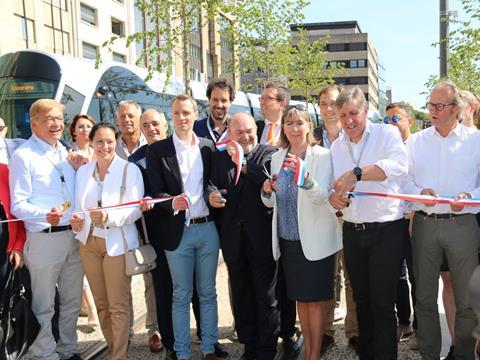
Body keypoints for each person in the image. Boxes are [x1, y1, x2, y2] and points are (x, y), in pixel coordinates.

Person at [329, 87, 408, 360]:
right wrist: (335, 200)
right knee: (361, 301)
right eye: (343, 116)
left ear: (365, 111)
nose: (349, 121)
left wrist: (357, 173)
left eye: (353, 113)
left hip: (386, 230)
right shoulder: (337, 146)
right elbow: (334, 188)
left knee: (383, 304)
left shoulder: (387, 134)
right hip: (352, 231)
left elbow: (399, 165)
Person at [404, 81, 480, 360]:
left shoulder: (475, 141)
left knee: (467, 301)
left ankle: (462, 355)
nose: (433, 111)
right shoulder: (415, 141)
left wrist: (470, 196)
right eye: (430, 105)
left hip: (463, 227)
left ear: (456, 108)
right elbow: (404, 181)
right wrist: (417, 194)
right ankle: (428, 354)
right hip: (425, 225)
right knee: (423, 298)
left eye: (439, 105)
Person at [261, 105, 342, 360]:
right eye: (289, 123)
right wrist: (266, 191)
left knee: (314, 302)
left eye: (299, 123)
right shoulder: (276, 157)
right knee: (300, 302)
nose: (294, 128)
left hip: (314, 242)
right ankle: (309, 352)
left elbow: (322, 198)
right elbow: (272, 203)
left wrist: (304, 176)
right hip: (288, 241)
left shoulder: (322, 155)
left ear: (309, 126)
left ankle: (313, 356)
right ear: (283, 128)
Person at [146, 95, 220, 360]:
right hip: (177, 233)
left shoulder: (207, 147)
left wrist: (213, 194)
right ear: (171, 116)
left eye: (186, 113)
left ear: (195, 115)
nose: (181, 118)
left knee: (208, 292)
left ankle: (210, 347)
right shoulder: (158, 151)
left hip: (207, 229)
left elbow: (212, 182)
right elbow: (155, 191)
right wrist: (171, 202)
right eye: (176, 113)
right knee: (181, 295)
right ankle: (182, 351)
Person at [10, 99, 83, 360]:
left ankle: (67, 350)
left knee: (72, 301)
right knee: (44, 305)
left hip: (72, 236)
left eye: (60, 119)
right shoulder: (23, 156)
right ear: (34, 122)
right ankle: (46, 354)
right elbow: (18, 204)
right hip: (43, 239)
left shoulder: (66, 153)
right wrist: (45, 215)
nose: (57, 125)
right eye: (50, 119)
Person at [208, 112, 279, 360]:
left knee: (266, 297)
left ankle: (267, 349)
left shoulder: (268, 153)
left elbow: (268, 179)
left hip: (262, 240)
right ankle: (249, 346)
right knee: (242, 295)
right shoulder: (218, 158)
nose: (246, 136)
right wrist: (211, 195)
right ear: (230, 132)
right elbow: (210, 184)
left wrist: (243, 162)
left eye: (249, 131)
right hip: (233, 241)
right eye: (240, 133)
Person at [71, 122, 144, 360]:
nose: (105, 146)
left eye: (110, 141)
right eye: (99, 141)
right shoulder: (83, 172)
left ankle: (119, 356)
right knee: (101, 305)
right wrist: (76, 221)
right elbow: (77, 207)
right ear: (91, 142)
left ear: (116, 142)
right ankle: (113, 347)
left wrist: (109, 217)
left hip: (116, 243)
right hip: (88, 243)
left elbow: (135, 209)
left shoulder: (129, 170)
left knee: (117, 305)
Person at [314, 84, 360, 355]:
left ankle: (354, 332)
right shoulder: (312, 139)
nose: (329, 108)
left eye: (333, 103)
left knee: (352, 276)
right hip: (321, 218)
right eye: (323, 103)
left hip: (349, 216)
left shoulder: (353, 136)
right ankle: (326, 332)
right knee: (326, 277)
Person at [257, 82, 300, 356]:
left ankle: (289, 331)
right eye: (261, 97)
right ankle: (267, 331)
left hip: (287, 219)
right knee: (266, 281)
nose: (262, 101)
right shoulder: (254, 130)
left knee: (287, 281)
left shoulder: (291, 137)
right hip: (261, 216)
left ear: (282, 103)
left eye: (267, 98)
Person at [129, 109, 169, 354]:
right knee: (153, 282)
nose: (152, 128)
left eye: (156, 123)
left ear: (165, 125)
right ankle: (154, 329)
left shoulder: (181, 150)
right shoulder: (135, 160)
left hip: (180, 227)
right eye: (146, 125)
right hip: (151, 230)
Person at [384, 102, 417, 347]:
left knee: (418, 276)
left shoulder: (419, 147)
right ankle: (403, 322)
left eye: (395, 119)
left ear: (409, 121)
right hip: (393, 221)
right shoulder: (385, 149)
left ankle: (419, 328)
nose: (390, 124)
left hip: (416, 221)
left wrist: (415, 213)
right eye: (387, 121)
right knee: (396, 275)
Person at [194, 78, 234, 143]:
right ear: (209, 100)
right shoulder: (196, 129)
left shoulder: (239, 129)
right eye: (215, 100)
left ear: (230, 102)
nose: (219, 105)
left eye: (223, 100)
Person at [257, 82, 290, 147]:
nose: (262, 102)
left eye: (269, 98)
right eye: (262, 98)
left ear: (282, 104)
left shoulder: (291, 129)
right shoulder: (255, 127)